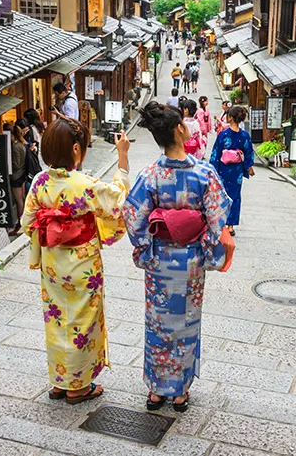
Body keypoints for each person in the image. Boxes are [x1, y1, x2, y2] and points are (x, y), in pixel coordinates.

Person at [122, 102, 231, 413]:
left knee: (157, 324)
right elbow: (217, 216)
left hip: (159, 262)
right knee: (185, 323)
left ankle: (157, 390)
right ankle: (180, 391)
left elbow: (133, 216)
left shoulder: (150, 175)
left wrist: (147, 245)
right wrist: (204, 243)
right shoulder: (204, 174)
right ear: (181, 130)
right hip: (192, 262)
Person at [21, 118, 131, 404]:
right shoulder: (86, 184)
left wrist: (53, 229)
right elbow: (118, 200)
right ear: (75, 149)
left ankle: (60, 381)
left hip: (53, 264)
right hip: (83, 265)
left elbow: (27, 222)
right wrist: (122, 155)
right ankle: (78, 386)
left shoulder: (40, 182)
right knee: (83, 319)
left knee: (57, 319)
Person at [210, 106, 255, 236]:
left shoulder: (223, 135)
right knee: (235, 197)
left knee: (222, 196)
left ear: (230, 118)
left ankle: (222, 224)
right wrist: (248, 167)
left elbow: (216, 153)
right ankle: (230, 226)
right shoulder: (244, 135)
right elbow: (248, 153)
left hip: (223, 170)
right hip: (237, 172)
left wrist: (213, 169)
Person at [9, 119, 30, 234]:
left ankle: (20, 224)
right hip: (21, 175)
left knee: (19, 200)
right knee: (21, 198)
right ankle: (22, 222)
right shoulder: (22, 144)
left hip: (16, 176)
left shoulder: (16, 147)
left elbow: (16, 164)